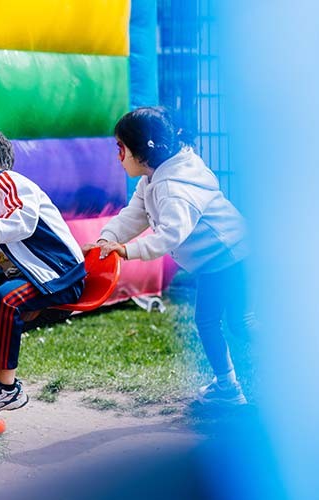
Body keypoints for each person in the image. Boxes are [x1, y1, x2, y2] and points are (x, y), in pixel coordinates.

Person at [84, 106, 253, 406]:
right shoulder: (152, 179)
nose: (117, 156)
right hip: (217, 261)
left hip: (231, 256)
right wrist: (107, 240)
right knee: (217, 322)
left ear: (141, 152)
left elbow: (172, 234)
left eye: (120, 148)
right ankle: (228, 387)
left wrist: (128, 251)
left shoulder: (173, 187)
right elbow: (134, 216)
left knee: (236, 323)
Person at [0, 126, 86, 420]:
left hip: (56, 273)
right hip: (21, 275)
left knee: (4, 300)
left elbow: (22, 220)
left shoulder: (8, 182)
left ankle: (6, 386)